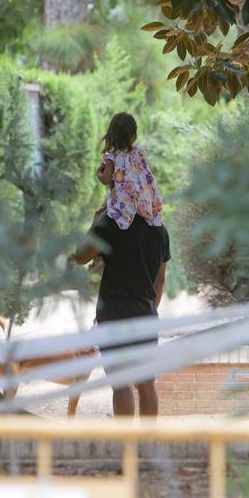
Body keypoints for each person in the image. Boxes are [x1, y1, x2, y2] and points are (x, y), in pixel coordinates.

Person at [74, 113, 170, 420]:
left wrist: (95, 221)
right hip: (145, 313)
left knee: (120, 386)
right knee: (146, 384)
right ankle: (149, 445)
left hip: (114, 313)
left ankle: (127, 447)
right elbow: (160, 281)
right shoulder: (159, 230)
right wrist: (148, 308)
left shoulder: (112, 223)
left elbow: (81, 256)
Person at [94, 112, 164, 230]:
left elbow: (105, 180)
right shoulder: (140, 153)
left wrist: (98, 173)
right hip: (145, 203)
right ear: (133, 135)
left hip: (124, 204)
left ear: (111, 135)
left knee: (98, 217)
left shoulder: (112, 156)